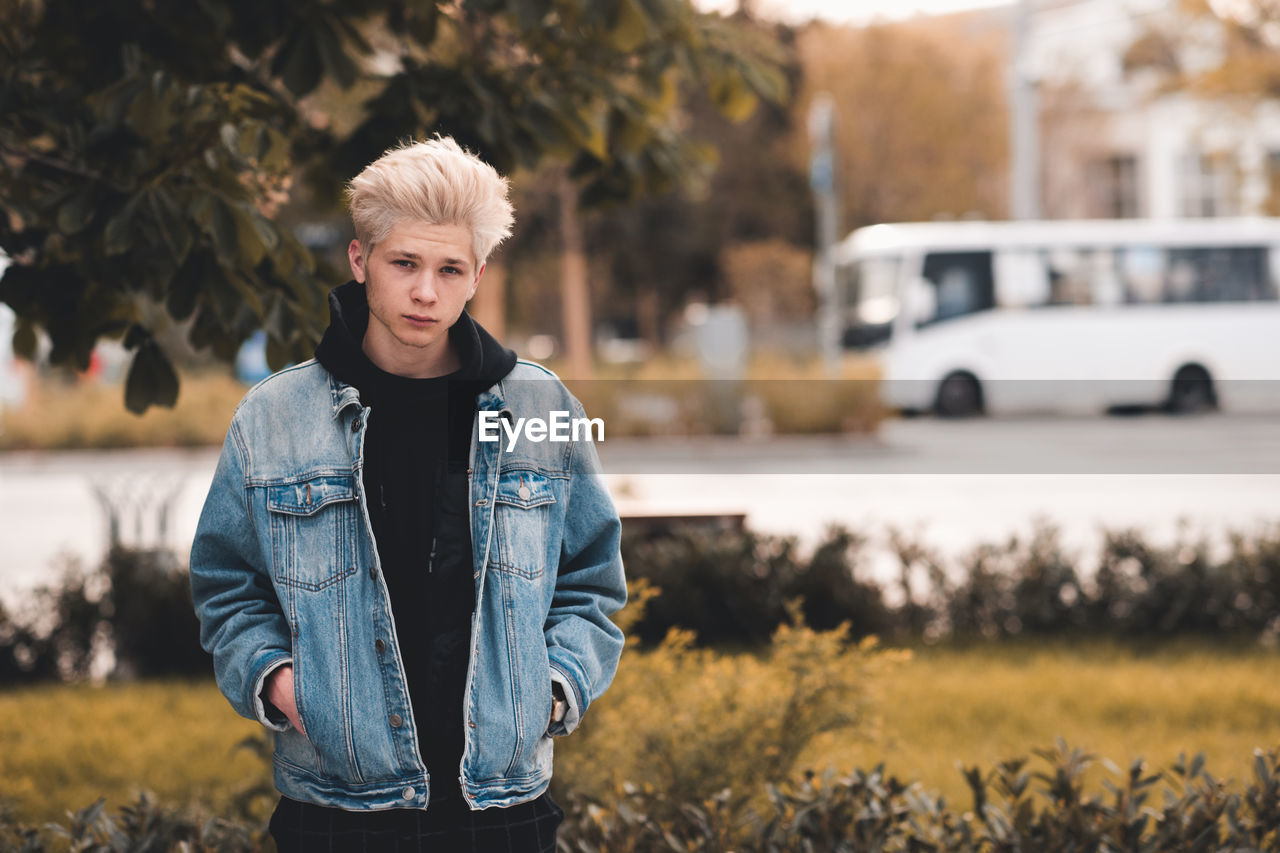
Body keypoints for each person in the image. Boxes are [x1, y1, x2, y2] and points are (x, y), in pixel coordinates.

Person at [189, 136, 626, 852]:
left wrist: (549, 690)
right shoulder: (273, 418)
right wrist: (283, 686)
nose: (426, 291)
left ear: (477, 274)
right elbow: (227, 586)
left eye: (450, 268)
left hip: (502, 808)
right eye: (405, 263)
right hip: (335, 807)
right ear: (361, 261)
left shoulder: (539, 404)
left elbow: (591, 580)